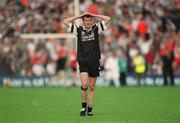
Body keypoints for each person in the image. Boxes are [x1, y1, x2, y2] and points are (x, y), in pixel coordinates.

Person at [63, 12, 110, 116]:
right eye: (86, 20)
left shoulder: (96, 28)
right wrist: (79, 16)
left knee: (92, 87)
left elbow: (108, 18)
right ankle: (83, 108)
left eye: (89, 20)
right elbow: (65, 21)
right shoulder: (78, 30)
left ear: (91, 21)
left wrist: (93, 14)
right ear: (83, 21)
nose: (88, 22)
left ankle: (90, 109)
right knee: (85, 84)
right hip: (83, 61)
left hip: (94, 61)